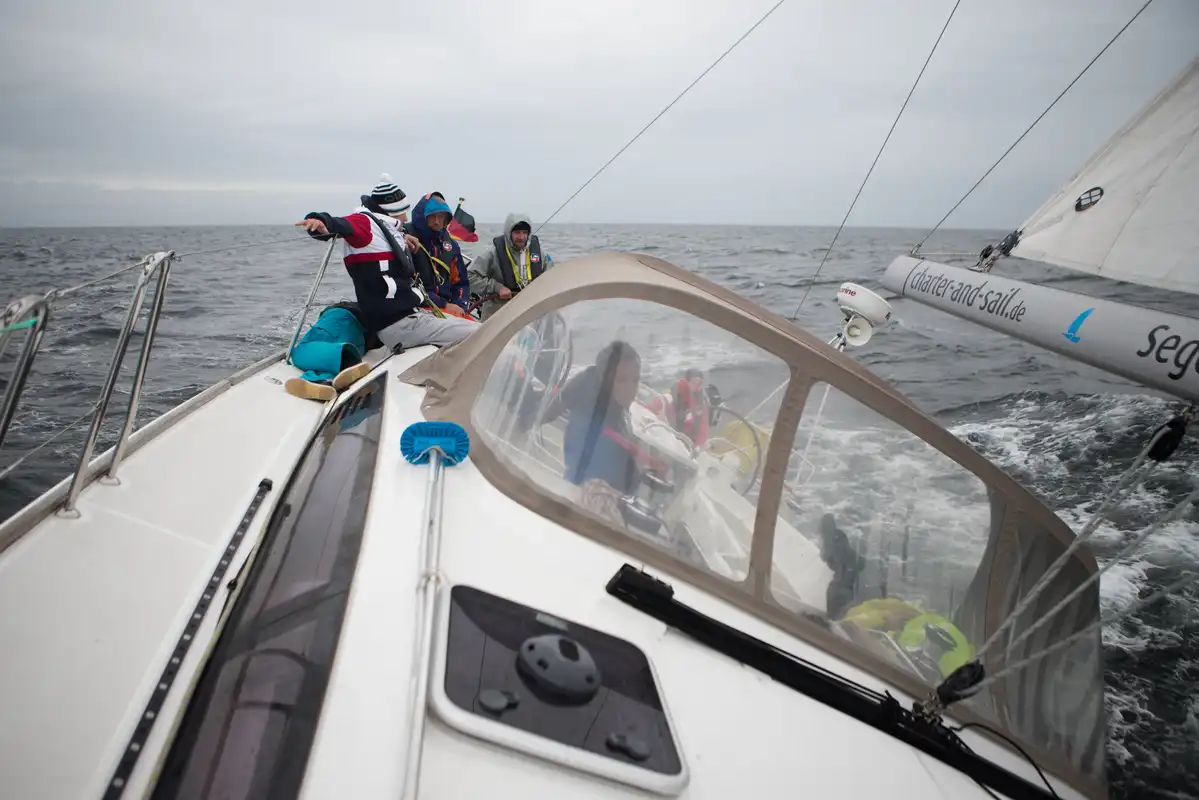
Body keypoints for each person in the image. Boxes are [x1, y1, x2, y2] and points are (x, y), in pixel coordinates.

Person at [295, 174, 477, 352]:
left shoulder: (389, 232)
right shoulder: (365, 223)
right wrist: (320, 221)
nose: (406, 219)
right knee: (478, 334)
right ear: (390, 212)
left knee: (476, 327)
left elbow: (384, 236)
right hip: (398, 324)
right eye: (402, 213)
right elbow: (343, 224)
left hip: (411, 314)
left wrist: (402, 238)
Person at [543, 342, 669, 524]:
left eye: (635, 380)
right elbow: (621, 477)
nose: (631, 389)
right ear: (605, 381)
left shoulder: (590, 386)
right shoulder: (601, 429)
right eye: (621, 380)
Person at [468, 212, 553, 320]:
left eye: (525, 232)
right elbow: (470, 275)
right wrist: (496, 288)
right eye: (517, 232)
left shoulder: (541, 254)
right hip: (498, 314)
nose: (521, 237)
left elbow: (553, 278)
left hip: (529, 314)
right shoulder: (493, 253)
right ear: (509, 232)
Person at [285, 302, 376, 402]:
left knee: (300, 351)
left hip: (340, 318)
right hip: (361, 339)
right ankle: (327, 379)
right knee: (320, 355)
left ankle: (345, 364)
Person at [405, 192, 473, 319]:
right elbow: (407, 285)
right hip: (418, 306)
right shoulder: (406, 238)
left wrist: (460, 306)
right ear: (422, 216)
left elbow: (461, 283)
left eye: (441, 216)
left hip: (448, 307)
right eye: (432, 217)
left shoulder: (451, 246)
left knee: (479, 330)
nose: (437, 222)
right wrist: (444, 305)